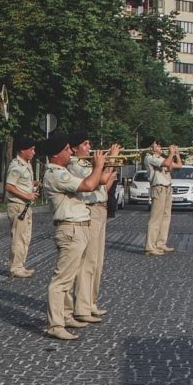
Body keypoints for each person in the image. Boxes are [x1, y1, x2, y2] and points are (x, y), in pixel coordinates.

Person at [44, 134, 108, 340]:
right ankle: (55, 324)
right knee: (61, 280)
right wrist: (99, 166)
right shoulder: (56, 174)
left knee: (71, 277)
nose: (70, 152)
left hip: (78, 227)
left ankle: (66, 314)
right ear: (56, 154)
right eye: (66, 149)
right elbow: (89, 185)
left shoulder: (61, 172)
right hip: (70, 229)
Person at [75, 137, 119, 321]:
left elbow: (104, 186)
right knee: (88, 261)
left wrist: (111, 167)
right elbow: (98, 180)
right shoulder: (76, 165)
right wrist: (110, 162)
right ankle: (82, 308)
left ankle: (91, 302)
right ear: (74, 148)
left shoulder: (88, 165)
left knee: (98, 262)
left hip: (100, 208)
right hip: (90, 210)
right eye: (84, 144)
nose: (89, 147)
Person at [4, 136, 39, 278]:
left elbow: (19, 183)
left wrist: (33, 185)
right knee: (19, 238)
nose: (33, 152)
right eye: (31, 149)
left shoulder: (26, 164)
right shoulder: (16, 166)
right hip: (18, 206)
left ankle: (20, 265)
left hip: (25, 205)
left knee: (25, 237)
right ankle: (15, 268)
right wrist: (27, 196)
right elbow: (9, 186)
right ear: (23, 150)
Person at [143, 141, 181, 256]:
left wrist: (176, 154)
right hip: (158, 188)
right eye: (157, 145)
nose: (160, 147)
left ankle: (160, 243)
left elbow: (178, 166)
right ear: (151, 148)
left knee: (166, 217)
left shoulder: (163, 158)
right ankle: (150, 246)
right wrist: (170, 154)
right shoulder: (150, 157)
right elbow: (165, 164)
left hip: (167, 188)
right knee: (156, 218)